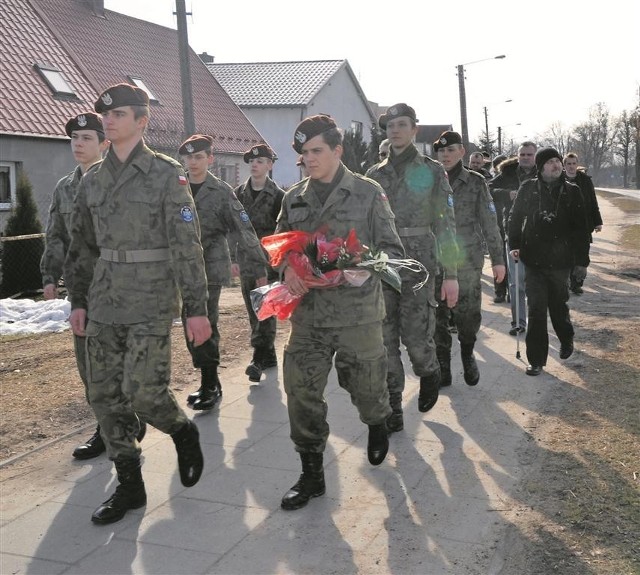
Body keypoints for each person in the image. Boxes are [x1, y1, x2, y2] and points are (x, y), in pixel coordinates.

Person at [65, 83, 211, 524]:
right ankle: (129, 485)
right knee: (104, 394)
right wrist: (78, 298)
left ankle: (182, 431)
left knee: (144, 393)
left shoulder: (167, 174)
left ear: (142, 121)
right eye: (105, 115)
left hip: (151, 296)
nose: (108, 120)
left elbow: (188, 245)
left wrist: (197, 308)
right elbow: (82, 245)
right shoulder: (93, 178)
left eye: (120, 114)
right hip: (105, 296)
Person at [276, 114, 405, 510]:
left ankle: (377, 421)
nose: (308, 159)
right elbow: (280, 246)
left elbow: (393, 252)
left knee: (367, 389)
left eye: (316, 151)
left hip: (358, 316)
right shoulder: (293, 196)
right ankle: (311, 473)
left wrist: (359, 269)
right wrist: (287, 269)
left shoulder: (368, 193)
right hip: (310, 316)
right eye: (303, 153)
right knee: (300, 391)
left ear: (337, 150)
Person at [40, 112, 144, 460]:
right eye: (74, 139)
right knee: (88, 364)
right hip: (83, 289)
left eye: (86, 138)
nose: (78, 145)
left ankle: (126, 415)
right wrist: (49, 275)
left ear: (104, 143)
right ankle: (106, 427)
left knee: (123, 360)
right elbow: (55, 234)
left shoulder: (120, 182)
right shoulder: (65, 187)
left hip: (121, 287)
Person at [366, 103, 459, 433]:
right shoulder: (374, 175)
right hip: (383, 266)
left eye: (402, 124)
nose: (395, 130)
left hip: (420, 268)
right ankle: (393, 406)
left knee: (417, 342)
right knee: (384, 340)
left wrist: (451, 275)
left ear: (414, 129)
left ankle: (429, 371)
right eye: (390, 125)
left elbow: (447, 224)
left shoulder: (432, 171)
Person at [508, 147, 590, 376]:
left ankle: (566, 337)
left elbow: (581, 229)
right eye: (550, 162)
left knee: (558, 305)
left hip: (561, 260)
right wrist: (514, 244)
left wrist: (581, 261)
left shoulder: (572, 191)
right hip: (533, 258)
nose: (556, 165)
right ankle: (536, 361)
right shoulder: (528, 188)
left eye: (558, 161)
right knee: (535, 310)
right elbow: (515, 218)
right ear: (541, 166)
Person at [433, 131, 506, 386]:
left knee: (467, 312)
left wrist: (498, 259)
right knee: (437, 316)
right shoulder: (429, 179)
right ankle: (443, 366)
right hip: (435, 257)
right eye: (441, 151)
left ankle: (467, 354)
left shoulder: (475, 182)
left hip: (467, 257)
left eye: (451, 150)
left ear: (462, 152)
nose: (445, 155)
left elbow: (489, 221)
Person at [233, 144, 285, 382]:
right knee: (252, 309)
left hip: (267, 260)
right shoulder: (238, 193)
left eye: (261, 161)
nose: (255, 164)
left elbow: (281, 233)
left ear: (270, 165)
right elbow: (232, 229)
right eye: (252, 161)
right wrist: (233, 259)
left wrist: (275, 263)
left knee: (265, 308)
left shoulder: (279, 197)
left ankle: (257, 358)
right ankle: (269, 355)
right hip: (246, 259)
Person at [490, 142, 538, 329]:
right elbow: (488, 189)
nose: (525, 157)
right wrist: (507, 194)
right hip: (513, 232)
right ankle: (518, 322)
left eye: (529, 154)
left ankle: (536, 321)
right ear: (518, 156)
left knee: (535, 283)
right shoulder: (507, 173)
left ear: (535, 156)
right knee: (516, 282)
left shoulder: (542, 173)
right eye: (522, 154)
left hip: (538, 235)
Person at [563, 152, 603, 294]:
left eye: (574, 163)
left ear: (577, 164)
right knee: (566, 254)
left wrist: (598, 222)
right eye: (568, 163)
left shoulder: (585, 180)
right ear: (564, 165)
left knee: (581, 254)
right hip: (564, 225)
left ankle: (577, 283)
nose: (571, 166)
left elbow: (593, 201)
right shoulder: (559, 179)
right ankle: (566, 282)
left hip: (583, 224)